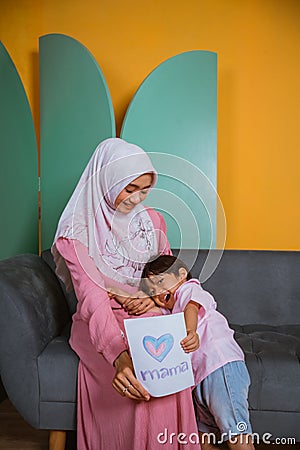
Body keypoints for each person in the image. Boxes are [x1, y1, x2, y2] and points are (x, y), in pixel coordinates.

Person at [52, 138, 200, 450]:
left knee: (167, 375)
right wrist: (117, 354)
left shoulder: (153, 222)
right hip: (101, 322)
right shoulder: (76, 235)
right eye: (129, 188)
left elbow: (167, 278)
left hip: (149, 315)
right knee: (135, 379)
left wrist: (155, 298)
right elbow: (92, 297)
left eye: (144, 189)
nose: (137, 199)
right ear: (106, 179)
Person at [140, 254, 255, 450]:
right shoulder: (168, 310)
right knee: (202, 438)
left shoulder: (189, 289)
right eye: (151, 291)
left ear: (181, 275)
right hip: (199, 378)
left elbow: (191, 309)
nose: (157, 291)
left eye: (160, 282)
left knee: (235, 431)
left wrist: (190, 331)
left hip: (220, 365)